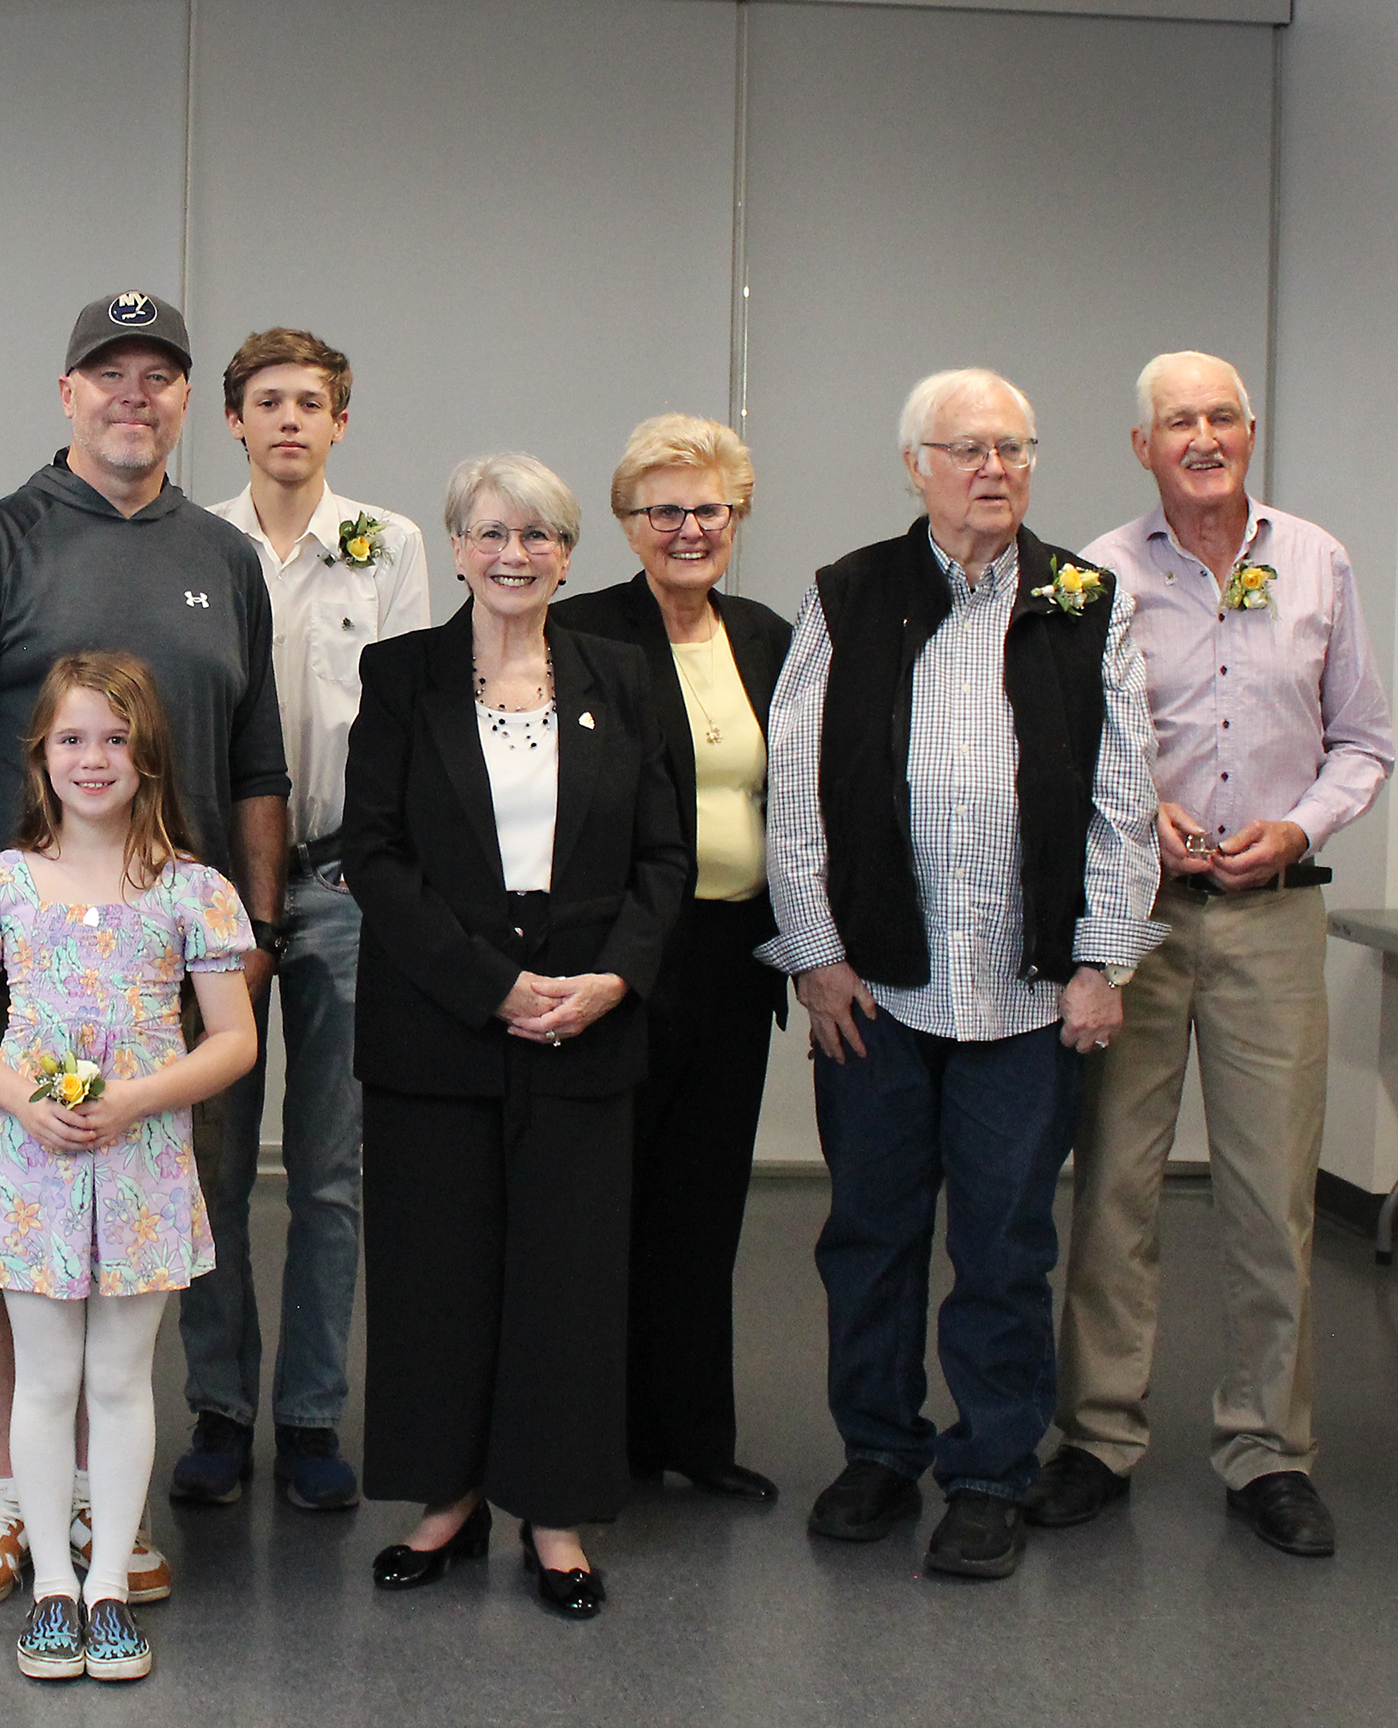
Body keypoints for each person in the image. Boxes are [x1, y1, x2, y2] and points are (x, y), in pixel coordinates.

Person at [0, 290, 287, 1610]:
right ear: (67, 392)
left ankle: (103, 1509)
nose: (135, 395)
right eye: (108, 373)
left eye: (159, 375)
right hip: (16, 983)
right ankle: (12, 1495)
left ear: (188, 401)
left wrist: (260, 936)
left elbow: (257, 768)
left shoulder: (225, 559)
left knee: (140, 1250)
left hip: (170, 986)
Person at [762, 368, 1163, 1583]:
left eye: (1015, 447)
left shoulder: (1088, 598)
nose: (994, 468)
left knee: (1004, 1244)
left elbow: (1124, 800)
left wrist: (1103, 960)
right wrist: (818, 958)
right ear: (915, 465)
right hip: (875, 990)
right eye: (967, 448)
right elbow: (794, 792)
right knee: (871, 1236)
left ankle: (990, 1470)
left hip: (1031, 996)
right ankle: (880, 1451)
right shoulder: (849, 591)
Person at [1038, 352, 1391, 1559]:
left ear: (1252, 432)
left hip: (1276, 915)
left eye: (1222, 417)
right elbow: (1067, 742)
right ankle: (1096, 1437)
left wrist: (1302, 822)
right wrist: (1145, 816)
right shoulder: (1093, 574)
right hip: (1130, 922)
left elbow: (1367, 742)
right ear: (1142, 446)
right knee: (1115, 1191)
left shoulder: (1318, 561)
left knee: (1269, 1201)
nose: (1203, 437)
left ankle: (1267, 1453)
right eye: (1177, 421)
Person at [345, 453, 688, 1621]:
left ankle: (552, 1510)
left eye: (539, 536)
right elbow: (375, 856)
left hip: (585, 1025)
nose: (514, 555)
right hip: (439, 1025)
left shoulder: (625, 676)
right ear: (455, 548)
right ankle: (444, 1498)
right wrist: (489, 986)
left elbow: (665, 855)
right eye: (491, 533)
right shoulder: (400, 674)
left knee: (567, 1276)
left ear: (567, 553)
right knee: (438, 1269)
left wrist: (614, 981)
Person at [0, 652, 257, 1684]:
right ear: (41, 754)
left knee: (119, 1380)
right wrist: (27, 1100)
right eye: (72, 738)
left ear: (148, 755)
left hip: (144, 1161)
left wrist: (134, 1100)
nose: (93, 758)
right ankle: (54, 1592)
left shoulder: (192, 892)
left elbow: (233, 1040)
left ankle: (109, 1578)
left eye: (115, 739)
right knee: (44, 1379)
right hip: (34, 1166)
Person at [189, 327, 428, 1510]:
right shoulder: (195, 545)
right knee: (213, 1164)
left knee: (332, 1171)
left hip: (339, 886)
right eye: (268, 401)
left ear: (342, 422)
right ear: (233, 420)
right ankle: (222, 1409)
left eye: (314, 402)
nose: (291, 420)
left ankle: (315, 1412)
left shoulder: (388, 548)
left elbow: (411, 723)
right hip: (214, 890)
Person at [547, 415, 791, 1505]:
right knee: (610, 1202)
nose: (688, 529)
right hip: (624, 957)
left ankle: (692, 1432)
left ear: (736, 515)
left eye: (709, 509)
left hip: (739, 955)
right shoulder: (580, 633)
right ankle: (597, 1437)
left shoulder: (769, 636)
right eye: (664, 511)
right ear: (627, 523)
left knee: (704, 1201)